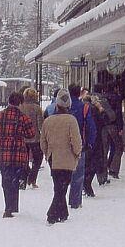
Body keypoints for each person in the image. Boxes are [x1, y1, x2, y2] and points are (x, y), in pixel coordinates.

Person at [0, 92, 35, 218]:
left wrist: (2, 135)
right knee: (15, 179)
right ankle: (13, 206)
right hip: (18, 154)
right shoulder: (23, 118)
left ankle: (8, 206)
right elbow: (31, 134)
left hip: (3, 154)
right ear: (20, 103)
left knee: (6, 179)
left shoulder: (0, 115)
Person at [41, 88, 82, 225]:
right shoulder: (71, 120)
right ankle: (52, 214)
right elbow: (76, 141)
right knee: (62, 188)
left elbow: (43, 142)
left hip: (54, 158)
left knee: (58, 186)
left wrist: (47, 154)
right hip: (68, 158)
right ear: (68, 105)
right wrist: (77, 153)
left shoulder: (48, 121)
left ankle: (62, 213)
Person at [68, 84, 97, 209]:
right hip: (80, 143)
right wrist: (90, 142)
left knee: (63, 173)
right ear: (79, 93)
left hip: (64, 144)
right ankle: (75, 200)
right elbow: (91, 127)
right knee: (78, 173)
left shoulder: (64, 107)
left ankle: (60, 197)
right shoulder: (84, 107)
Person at [20, 88, 45, 188]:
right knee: (38, 158)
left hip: (23, 138)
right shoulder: (37, 108)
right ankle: (32, 177)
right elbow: (40, 125)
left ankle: (23, 178)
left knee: (23, 159)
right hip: (35, 138)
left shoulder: (20, 107)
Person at [105, 86, 125, 179]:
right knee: (118, 147)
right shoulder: (117, 98)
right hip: (114, 125)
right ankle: (113, 169)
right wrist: (120, 127)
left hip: (105, 126)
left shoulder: (104, 98)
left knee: (106, 148)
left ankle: (105, 167)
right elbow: (119, 114)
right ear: (116, 88)